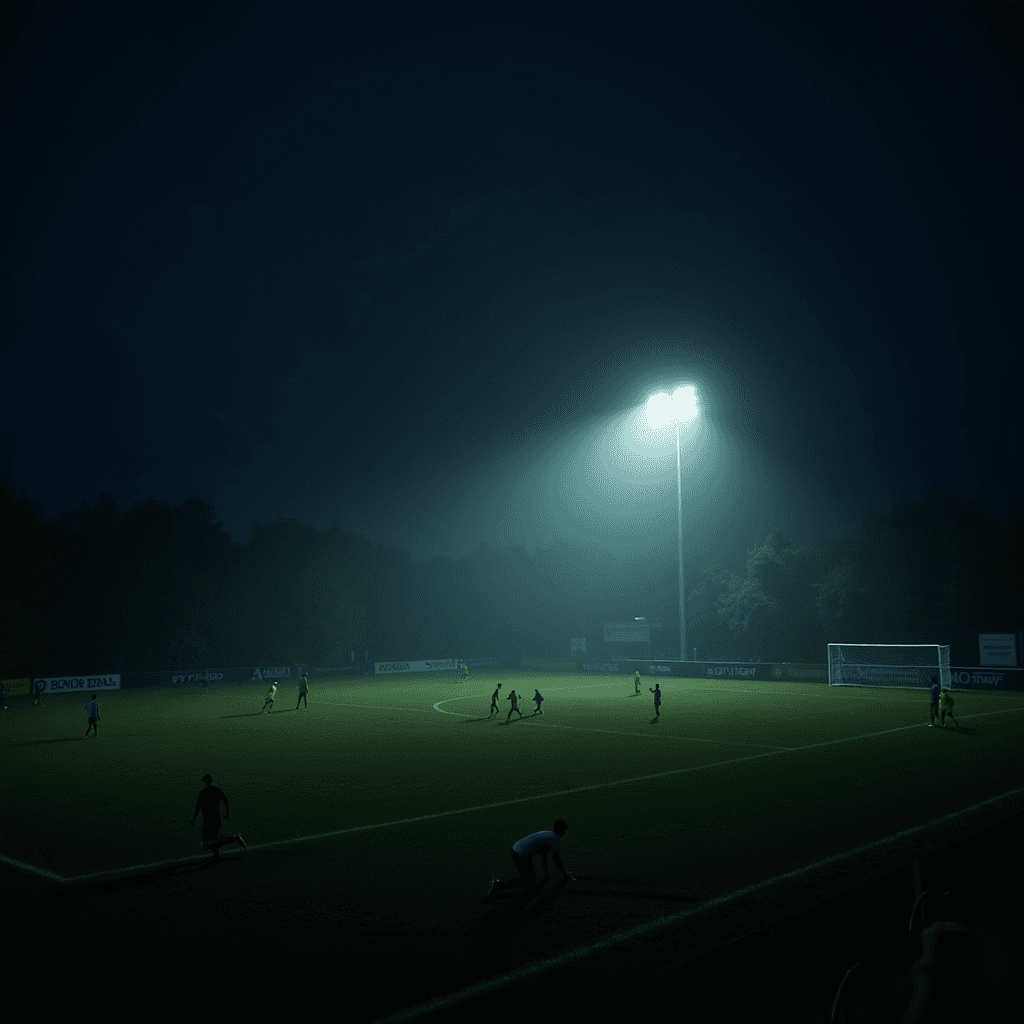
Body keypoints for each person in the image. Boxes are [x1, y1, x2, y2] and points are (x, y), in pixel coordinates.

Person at [487, 819, 575, 897]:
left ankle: (500, 884)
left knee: (531, 882)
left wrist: (546, 873)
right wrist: (565, 874)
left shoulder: (549, 833)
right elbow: (556, 859)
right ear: (560, 830)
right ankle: (499, 884)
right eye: (564, 830)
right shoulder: (555, 839)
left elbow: (544, 853)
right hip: (520, 854)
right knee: (529, 882)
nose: (565, 832)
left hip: (518, 849)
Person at [192, 774, 246, 864]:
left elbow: (198, 807)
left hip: (208, 819)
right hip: (217, 818)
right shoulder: (216, 789)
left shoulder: (202, 792)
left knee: (206, 842)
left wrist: (194, 819)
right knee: (214, 839)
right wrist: (227, 813)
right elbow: (226, 800)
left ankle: (233, 839)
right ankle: (216, 857)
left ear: (204, 781)